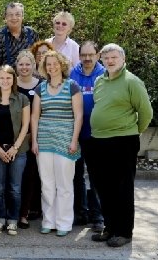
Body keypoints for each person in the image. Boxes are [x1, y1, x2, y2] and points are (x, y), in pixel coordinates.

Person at [88, 43, 152, 248]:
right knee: (103, 187)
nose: (110, 61)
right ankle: (110, 228)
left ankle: (124, 232)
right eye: (106, 58)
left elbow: (146, 112)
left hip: (123, 141)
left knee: (122, 188)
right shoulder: (99, 80)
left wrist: (132, 132)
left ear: (123, 59)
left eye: (114, 57)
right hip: (99, 140)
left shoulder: (132, 81)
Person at [30, 51, 82, 237]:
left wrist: (74, 140)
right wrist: (34, 140)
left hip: (65, 141)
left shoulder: (72, 86)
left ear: (61, 65)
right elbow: (35, 116)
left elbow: (78, 116)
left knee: (65, 184)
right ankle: (48, 221)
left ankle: (64, 223)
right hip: (44, 140)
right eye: (48, 64)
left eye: (55, 63)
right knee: (47, 183)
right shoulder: (40, 88)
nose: (52, 67)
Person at [0, 65, 30, 236]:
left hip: (17, 151)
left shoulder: (22, 99)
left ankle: (12, 220)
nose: (5, 81)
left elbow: (26, 125)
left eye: (8, 78)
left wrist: (15, 148)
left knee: (15, 188)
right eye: (2, 78)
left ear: (14, 80)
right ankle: (0, 219)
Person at [69, 41, 105, 231]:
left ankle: (97, 216)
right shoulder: (73, 74)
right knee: (76, 175)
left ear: (98, 55)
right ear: (79, 55)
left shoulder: (104, 74)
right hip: (76, 132)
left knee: (96, 175)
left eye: (91, 54)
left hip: (97, 134)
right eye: (84, 55)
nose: (87, 58)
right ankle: (81, 212)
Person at [15, 49, 43, 228]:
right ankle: (12, 213)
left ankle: (27, 212)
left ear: (33, 66)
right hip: (14, 138)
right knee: (14, 178)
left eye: (28, 64)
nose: (24, 67)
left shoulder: (41, 85)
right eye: (21, 64)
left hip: (35, 137)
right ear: (16, 65)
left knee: (31, 176)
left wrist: (34, 135)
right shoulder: (10, 83)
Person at [0, 1, 40, 73]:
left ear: (22, 16)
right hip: (10, 80)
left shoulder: (32, 33)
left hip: (31, 79)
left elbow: (39, 58)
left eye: (17, 14)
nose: (14, 18)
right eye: (10, 15)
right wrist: (4, 80)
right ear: (6, 17)